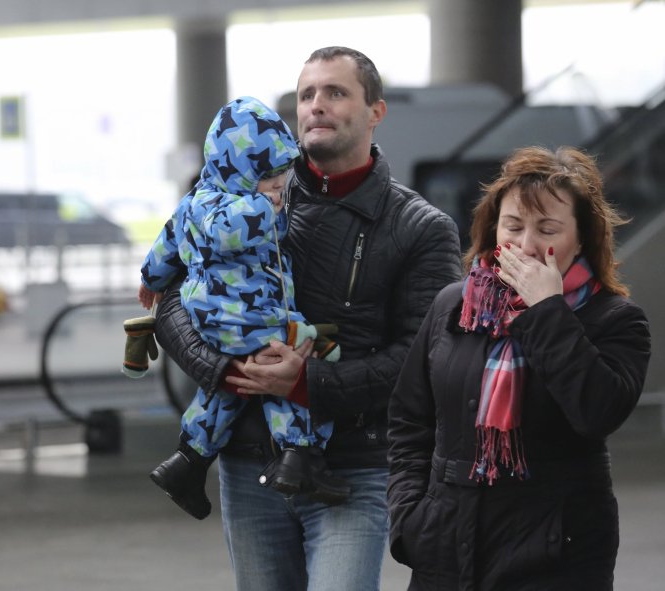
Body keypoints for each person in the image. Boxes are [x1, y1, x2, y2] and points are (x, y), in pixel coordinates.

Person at [153, 46, 462, 591]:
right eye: (306, 95)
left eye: (336, 92)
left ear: (376, 112)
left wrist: (306, 384)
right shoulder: (238, 200)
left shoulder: (421, 227)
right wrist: (221, 368)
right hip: (247, 464)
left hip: (354, 469)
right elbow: (172, 299)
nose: (316, 105)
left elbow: (425, 360)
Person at [386, 146, 651, 590]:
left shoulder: (615, 319)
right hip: (447, 544)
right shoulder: (455, 304)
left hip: (556, 552)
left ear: (582, 238)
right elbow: (409, 418)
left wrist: (547, 309)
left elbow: (596, 411)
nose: (526, 245)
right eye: (513, 226)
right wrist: (411, 516)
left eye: (547, 229)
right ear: (493, 229)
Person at [129, 96, 347, 520]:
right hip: (253, 316)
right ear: (241, 170)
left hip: (212, 322)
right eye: (269, 175)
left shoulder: (192, 203)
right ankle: (299, 454)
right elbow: (230, 229)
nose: (280, 184)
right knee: (294, 363)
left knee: (233, 388)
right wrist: (267, 204)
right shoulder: (248, 210)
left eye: (283, 174)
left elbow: (164, 248)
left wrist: (149, 281)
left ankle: (188, 460)